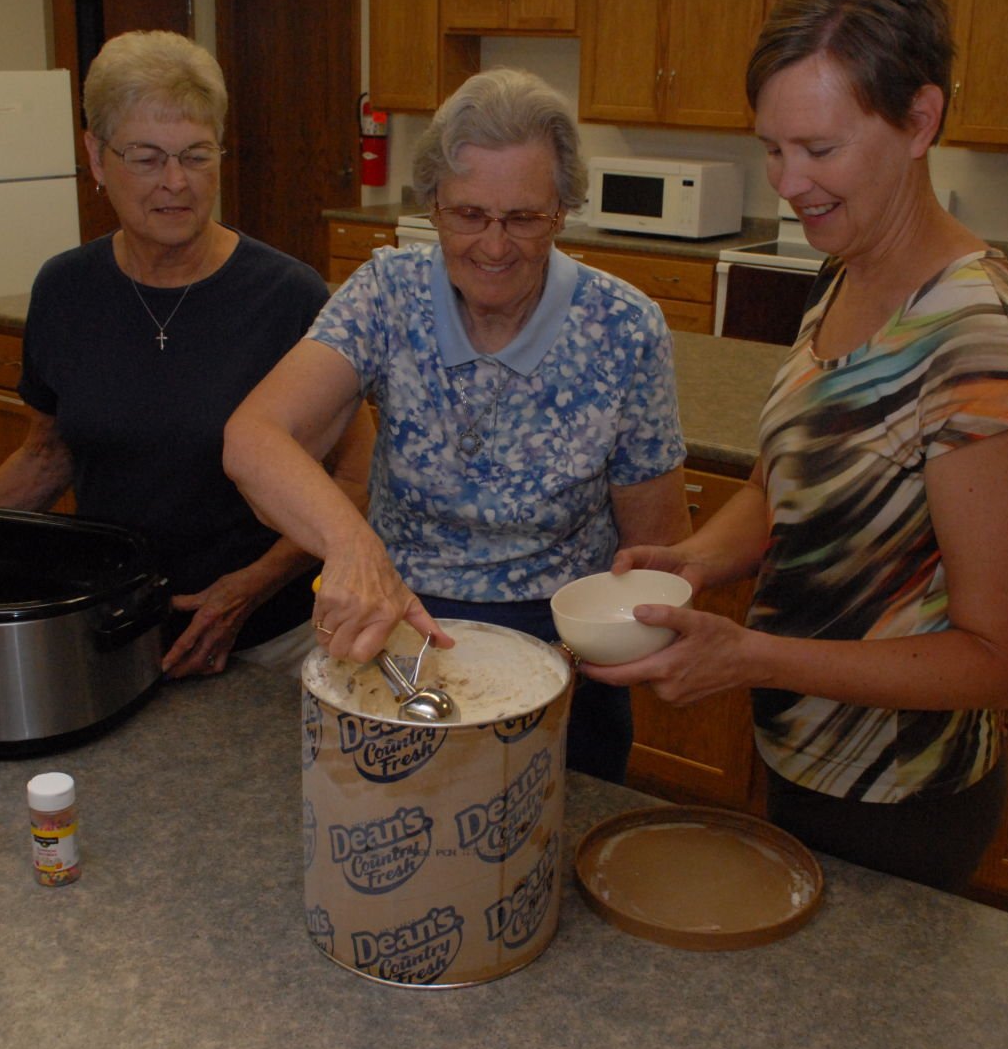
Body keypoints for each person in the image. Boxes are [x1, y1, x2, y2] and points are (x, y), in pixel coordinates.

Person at [582, 0, 1008, 891]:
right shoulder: (843, 269)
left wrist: (752, 656)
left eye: (820, 149)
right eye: (773, 148)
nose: (788, 183)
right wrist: (694, 564)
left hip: (903, 799)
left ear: (920, 121)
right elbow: (786, 483)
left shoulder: (979, 340)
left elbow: (999, 660)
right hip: (803, 755)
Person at [222, 67, 691, 782]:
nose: (495, 246)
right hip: (401, 633)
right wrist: (354, 548)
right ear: (432, 205)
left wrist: (617, 642)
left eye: (525, 218)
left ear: (563, 209)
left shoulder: (624, 328)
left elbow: (655, 547)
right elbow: (253, 438)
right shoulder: (385, 295)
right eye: (468, 214)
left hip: (562, 645)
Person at [0, 29, 369, 679]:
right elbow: (48, 455)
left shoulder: (288, 297)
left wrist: (249, 588)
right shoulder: (65, 290)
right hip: (116, 631)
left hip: (271, 643)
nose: (176, 183)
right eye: (148, 158)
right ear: (96, 158)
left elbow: (355, 479)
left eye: (197, 155)